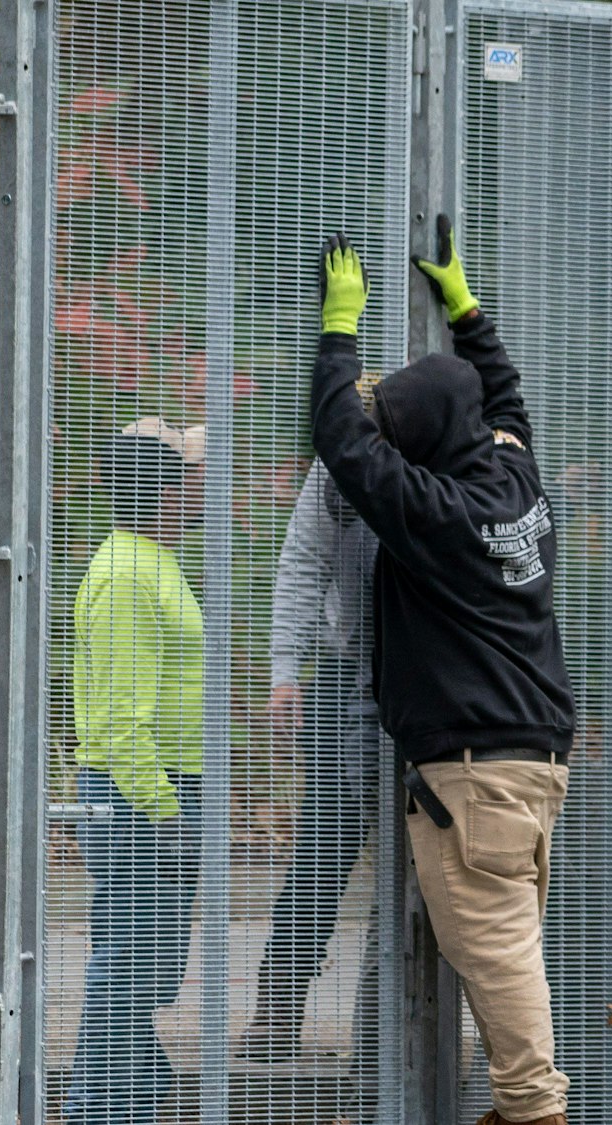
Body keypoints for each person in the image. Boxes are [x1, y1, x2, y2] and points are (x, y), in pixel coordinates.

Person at [307, 217, 576, 1125]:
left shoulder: (441, 513)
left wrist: (339, 327)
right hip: (529, 763)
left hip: (475, 773)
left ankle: (533, 1113)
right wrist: (465, 308)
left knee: (502, 966)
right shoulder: (518, 483)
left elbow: (345, 445)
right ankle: (516, 1107)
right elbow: (507, 400)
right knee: (509, 961)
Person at [65, 417, 206, 1124]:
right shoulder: (125, 575)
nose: (202, 487)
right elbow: (122, 719)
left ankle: (134, 1092)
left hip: (160, 789)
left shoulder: (151, 559)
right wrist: (164, 808)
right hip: (140, 795)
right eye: (190, 474)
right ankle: (102, 1107)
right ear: (168, 489)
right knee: (126, 965)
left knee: (142, 968)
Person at [238, 460, 385, 1080]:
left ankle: (383, 1039)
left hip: (426, 680)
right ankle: (275, 1011)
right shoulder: (342, 455)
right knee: (323, 852)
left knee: (419, 869)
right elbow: (303, 558)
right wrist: (285, 670)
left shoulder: (454, 430)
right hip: (345, 669)